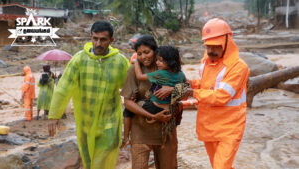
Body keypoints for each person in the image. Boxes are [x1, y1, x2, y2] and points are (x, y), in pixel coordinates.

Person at [47, 20, 130, 169]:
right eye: (95, 38)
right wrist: (54, 115)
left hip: (109, 122)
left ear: (111, 40)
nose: (98, 43)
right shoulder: (79, 60)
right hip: (85, 122)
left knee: (102, 161)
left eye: (103, 39)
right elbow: (64, 87)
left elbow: (131, 88)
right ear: (90, 37)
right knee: (88, 161)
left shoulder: (120, 62)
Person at [185, 18, 250, 169]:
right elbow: (206, 85)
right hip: (209, 124)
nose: (210, 51)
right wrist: (191, 83)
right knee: (218, 165)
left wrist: (192, 92)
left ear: (227, 43)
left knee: (221, 167)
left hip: (230, 128)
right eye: (208, 46)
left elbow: (221, 96)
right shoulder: (206, 61)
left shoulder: (239, 67)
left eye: (215, 47)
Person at [121, 35, 179, 169]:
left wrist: (171, 89)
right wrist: (152, 116)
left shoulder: (169, 69)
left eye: (147, 52)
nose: (143, 57)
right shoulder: (134, 71)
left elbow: (187, 91)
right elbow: (128, 102)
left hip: (166, 130)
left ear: (155, 51)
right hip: (141, 129)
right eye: (139, 54)